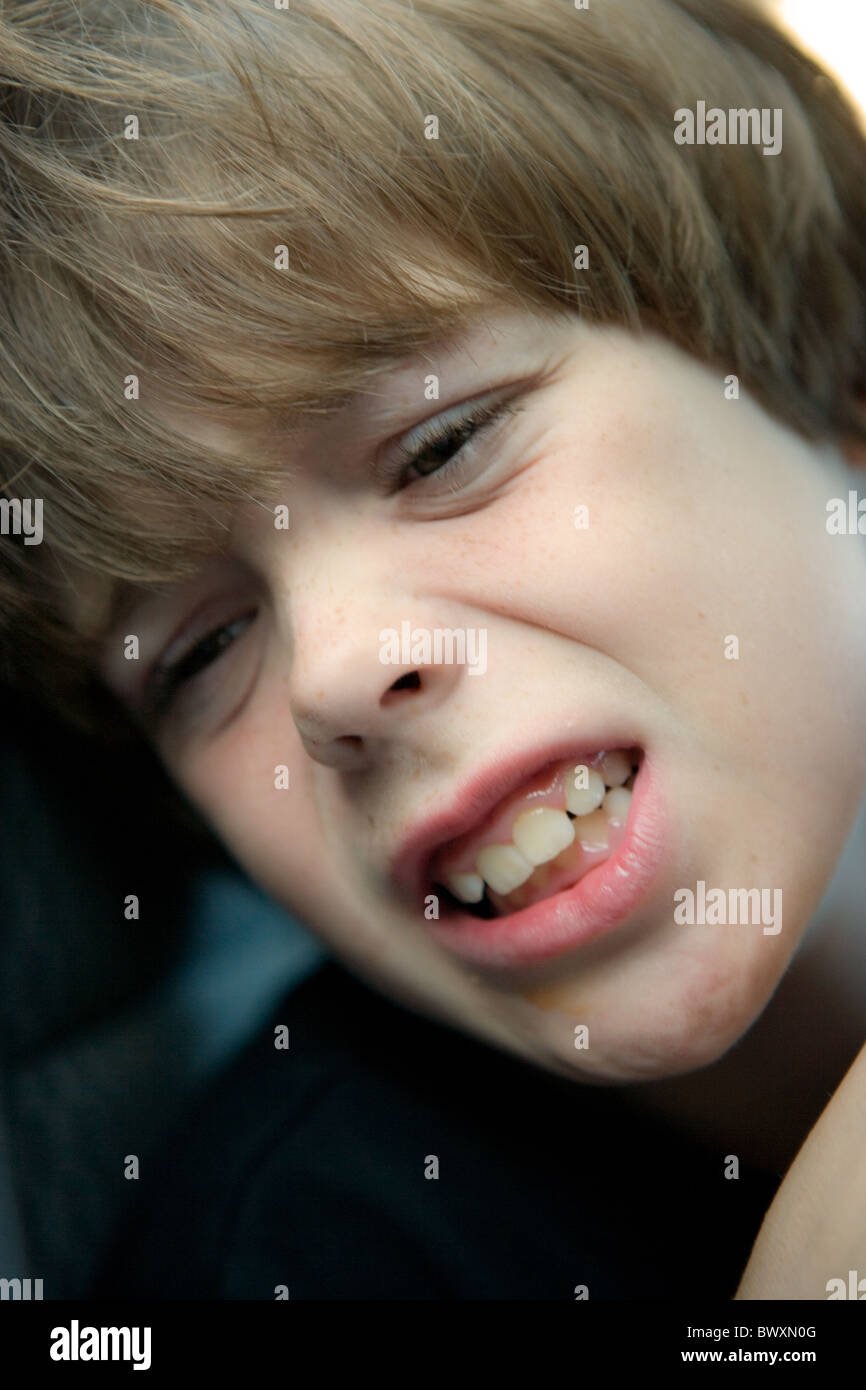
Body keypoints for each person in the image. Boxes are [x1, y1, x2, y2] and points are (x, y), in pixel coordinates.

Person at [1, 0, 864, 1300]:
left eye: (443, 445)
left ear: (835, 377)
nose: (333, 672)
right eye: (202, 649)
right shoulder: (301, 1253)